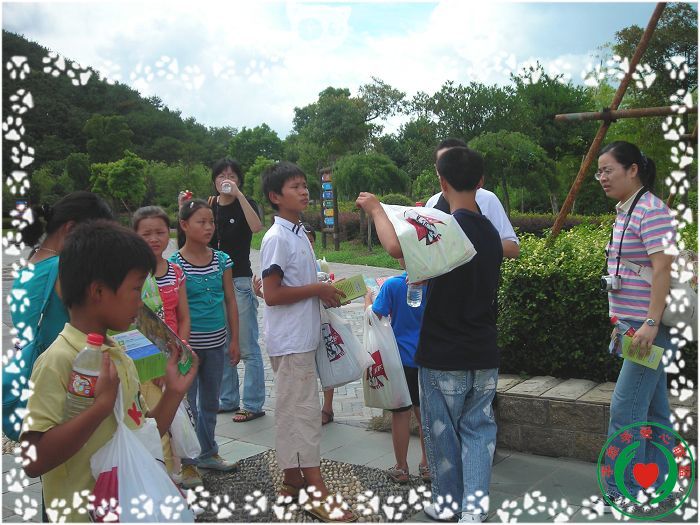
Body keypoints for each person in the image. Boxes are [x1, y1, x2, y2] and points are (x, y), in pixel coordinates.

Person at [357, 146, 503, 523]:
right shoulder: (490, 231)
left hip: (444, 353)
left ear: (442, 182)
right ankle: (474, 510)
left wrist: (376, 209)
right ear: (481, 181)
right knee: (479, 431)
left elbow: (395, 248)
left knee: (441, 435)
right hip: (484, 351)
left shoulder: (447, 228)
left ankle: (448, 504)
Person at [20, 220, 198, 522]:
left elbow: (140, 435)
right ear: (99, 291)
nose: (140, 302)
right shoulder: (60, 359)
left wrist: (174, 392)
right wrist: (100, 408)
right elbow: (32, 461)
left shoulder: (118, 355)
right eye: (135, 289)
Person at [260, 161, 356, 522]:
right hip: (290, 341)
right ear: (275, 196)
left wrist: (323, 291)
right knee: (303, 415)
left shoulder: (298, 232)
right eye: (295, 187)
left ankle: (292, 482)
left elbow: (288, 285)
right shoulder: (278, 237)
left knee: (292, 411)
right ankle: (316, 492)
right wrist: (316, 289)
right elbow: (272, 294)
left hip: (301, 336)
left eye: (304, 185)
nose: (304, 192)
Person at [596, 141, 677, 510]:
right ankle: (659, 483)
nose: (602, 177)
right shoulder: (629, 209)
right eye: (599, 171)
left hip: (648, 330)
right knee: (655, 411)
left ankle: (623, 489)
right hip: (634, 326)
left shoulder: (652, 210)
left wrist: (650, 322)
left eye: (608, 169)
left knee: (625, 408)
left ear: (632, 170)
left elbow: (663, 269)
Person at [170, 199, 241, 488]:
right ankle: (187, 463)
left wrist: (235, 340)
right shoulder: (175, 264)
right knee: (187, 405)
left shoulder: (222, 260)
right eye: (201, 222)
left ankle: (208, 452)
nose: (209, 227)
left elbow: (231, 300)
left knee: (210, 402)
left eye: (211, 221)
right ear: (184, 225)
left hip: (216, 343)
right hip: (187, 348)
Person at [10, 191, 114, 353]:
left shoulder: (27, 270)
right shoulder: (65, 269)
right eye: (97, 238)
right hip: (64, 366)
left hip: (35, 364)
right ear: (70, 228)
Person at [205, 158, 266, 424]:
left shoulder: (246, 203)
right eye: (221, 176)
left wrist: (239, 196)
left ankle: (252, 404)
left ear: (238, 180)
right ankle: (227, 399)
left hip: (240, 281)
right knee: (222, 344)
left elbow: (256, 227)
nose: (226, 180)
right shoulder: (209, 205)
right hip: (214, 283)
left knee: (247, 346)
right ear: (214, 181)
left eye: (231, 175)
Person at [133, 205, 191, 482]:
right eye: (146, 234)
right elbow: (134, 324)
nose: (154, 239)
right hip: (144, 364)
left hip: (173, 358)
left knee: (178, 423)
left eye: (160, 232)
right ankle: (160, 478)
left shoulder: (176, 271)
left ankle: (178, 472)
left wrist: (178, 355)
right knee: (154, 424)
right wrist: (155, 365)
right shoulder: (131, 275)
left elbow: (184, 317)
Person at [363, 261, 431, 485]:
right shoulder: (436, 284)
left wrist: (368, 299)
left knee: (400, 414)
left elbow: (374, 316)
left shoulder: (393, 285)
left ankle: (401, 467)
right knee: (425, 415)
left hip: (400, 360)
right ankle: (428, 465)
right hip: (429, 358)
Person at [425, 138, 520, 259]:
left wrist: (470, 245)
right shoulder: (432, 203)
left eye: (455, 162)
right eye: (444, 162)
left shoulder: (488, 199)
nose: (449, 168)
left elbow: (513, 248)